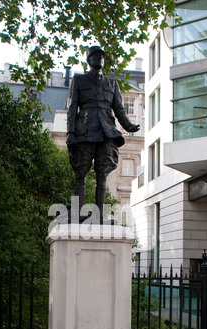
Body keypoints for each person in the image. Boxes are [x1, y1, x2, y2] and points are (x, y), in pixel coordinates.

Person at [66, 45, 140, 222]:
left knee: (102, 173)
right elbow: (72, 108)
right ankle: (76, 213)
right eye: (95, 56)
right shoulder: (79, 80)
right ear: (89, 60)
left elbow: (119, 109)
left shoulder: (112, 83)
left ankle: (98, 215)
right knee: (81, 172)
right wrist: (70, 132)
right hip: (84, 129)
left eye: (101, 56)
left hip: (106, 130)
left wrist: (129, 126)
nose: (99, 58)